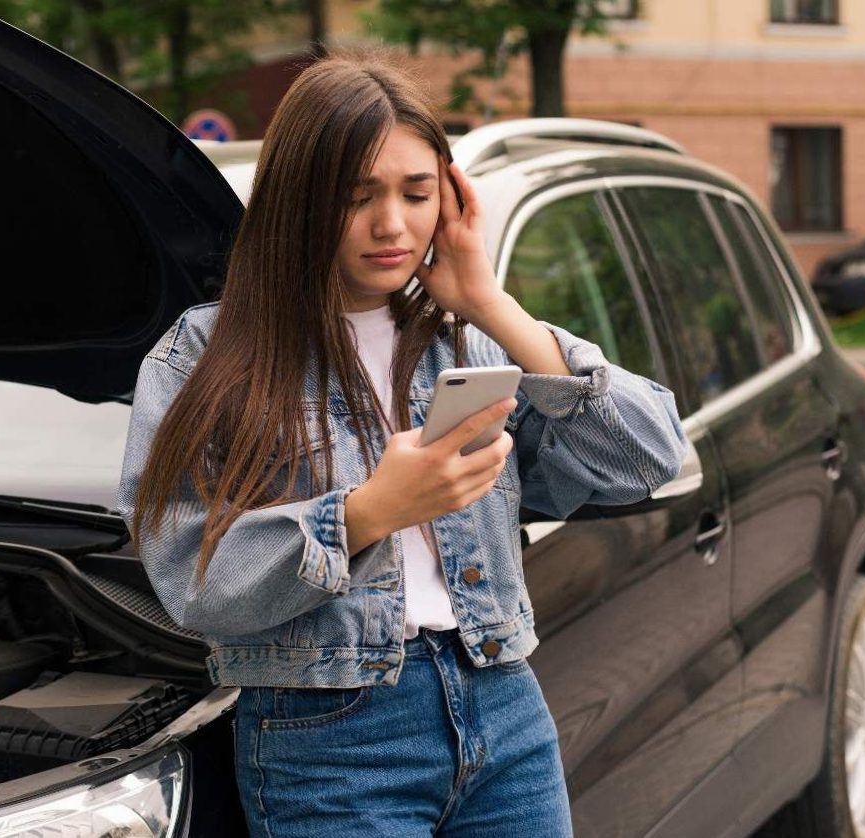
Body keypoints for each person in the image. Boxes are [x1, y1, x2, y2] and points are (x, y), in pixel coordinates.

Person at [115, 50, 687, 837]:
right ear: (298, 203)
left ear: (449, 198)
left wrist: (488, 299)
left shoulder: (467, 342)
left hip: (503, 706)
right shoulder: (205, 358)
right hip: (329, 737)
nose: (392, 224)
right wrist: (367, 512)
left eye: (416, 194)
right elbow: (192, 577)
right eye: (358, 198)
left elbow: (645, 456)